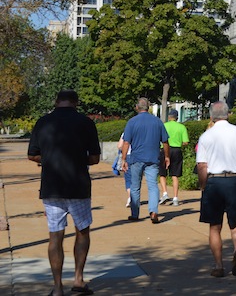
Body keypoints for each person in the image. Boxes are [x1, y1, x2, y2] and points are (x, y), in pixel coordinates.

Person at [27, 90, 101, 296]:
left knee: (55, 236)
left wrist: (48, 159)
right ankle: (78, 279)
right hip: (78, 186)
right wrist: (77, 159)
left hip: (52, 187)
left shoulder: (42, 122)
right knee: (82, 231)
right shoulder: (86, 123)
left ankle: (58, 287)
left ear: (56, 101)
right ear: (76, 103)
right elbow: (94, 158)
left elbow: (32, 155)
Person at [196, 101, 236, 277]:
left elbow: (202, 165)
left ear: (211, 116)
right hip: (235, 181)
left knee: (214, 226)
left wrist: (203, 185)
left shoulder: (206, 136)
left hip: (214, 182)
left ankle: (218, 266)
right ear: (228, 114)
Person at [119, 97, 170, 224]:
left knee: (135, 186)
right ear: (149, 107)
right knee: (152, 185)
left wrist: (124, 159)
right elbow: (165, 141)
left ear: (137, 107)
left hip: (136, 158)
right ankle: (153, 211)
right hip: (153, 158)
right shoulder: (157, 122)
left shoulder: (132, 122)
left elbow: (126, 142)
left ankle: (135, 214)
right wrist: (167, 156)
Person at [158, 109, 189, 206]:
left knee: (162, 173)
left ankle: (165, 193)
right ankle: (175, 197)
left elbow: (159, 139)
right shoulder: (182, 127)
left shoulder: (164, 126)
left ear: (169, 117)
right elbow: (185, 142)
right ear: (177, 117)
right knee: (175, 175)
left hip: (164, 150)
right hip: (176, 150)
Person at [117, 133, 132, 207]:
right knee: (136, 178)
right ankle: (135, 197)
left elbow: (119, 146)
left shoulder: (126, 133)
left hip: (128, 156)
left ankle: (130, 197)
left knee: (128, 178)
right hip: (139, 157)